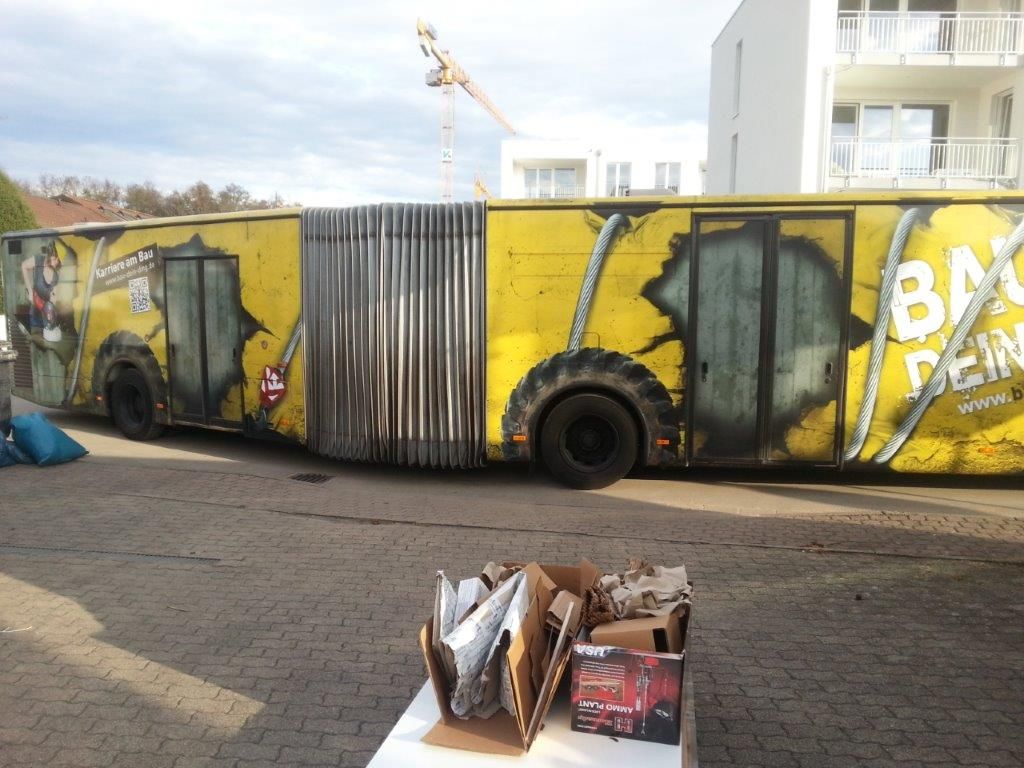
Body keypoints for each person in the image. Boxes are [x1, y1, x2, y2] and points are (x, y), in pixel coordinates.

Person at [21, 242, 63, 341]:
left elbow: (54, 296)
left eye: (58, 260)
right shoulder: (38, 260)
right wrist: (30, 291)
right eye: (55, 259)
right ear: (50, 256)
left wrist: (54, 300)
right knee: (33, 339)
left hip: (45, 312)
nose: (57, 262)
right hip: (34, 308)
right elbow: (24, 266)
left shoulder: (56, 275)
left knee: (47, 341)